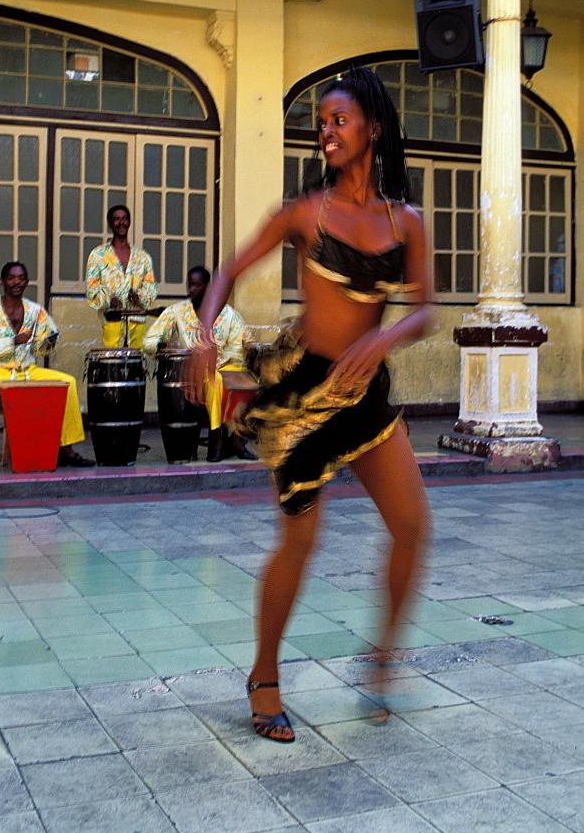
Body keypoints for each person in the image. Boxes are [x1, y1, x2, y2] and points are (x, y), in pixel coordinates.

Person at [184, 67, 432, 743]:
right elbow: (231, 269)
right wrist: (205, 334)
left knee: (412, 525)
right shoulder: (302, 211)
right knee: (301, 538)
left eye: (338, 118)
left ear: (371, 129)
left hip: (364, 394)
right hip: (302, 396)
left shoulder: (405, 221)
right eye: (320, 119)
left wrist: (381, 338)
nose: (325, 129)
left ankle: (380, 656)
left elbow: (426, 310)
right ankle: (263, 675)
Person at [0, 262, 94, 469]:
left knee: (67, 383)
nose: (16, 282)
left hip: (27, 369)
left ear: (27, 281)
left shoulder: (35, 311)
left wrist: (48, 343)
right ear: (2, 281)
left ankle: (66, 450)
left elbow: (43, 345)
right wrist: (12, 341)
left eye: (21, 278)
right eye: (11, 277)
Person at [144, 266, 257, 462]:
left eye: (197, 285)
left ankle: (237, 441)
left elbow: (243, 340)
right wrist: (161, 346)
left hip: (227, 367)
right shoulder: (177, 311)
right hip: (196, 371)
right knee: (215, 383)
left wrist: (248, 351)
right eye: (190, 284)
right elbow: (149, 341)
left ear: (209, 287)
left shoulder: (227, 313)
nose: (191, 289)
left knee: (252, 384)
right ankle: (217, 439)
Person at [86, 205, 158, 349]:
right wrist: (109, 299)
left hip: (137, 323)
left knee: (136, 366)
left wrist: (139, 297)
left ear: (129, 222)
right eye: (116, 219)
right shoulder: (98, 255)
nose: (121, 223)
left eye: (125, 218)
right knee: (113, 366)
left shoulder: (142, 257)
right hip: (112, 323)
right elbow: (91, 289)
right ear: (110, 224)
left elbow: (151, 289)